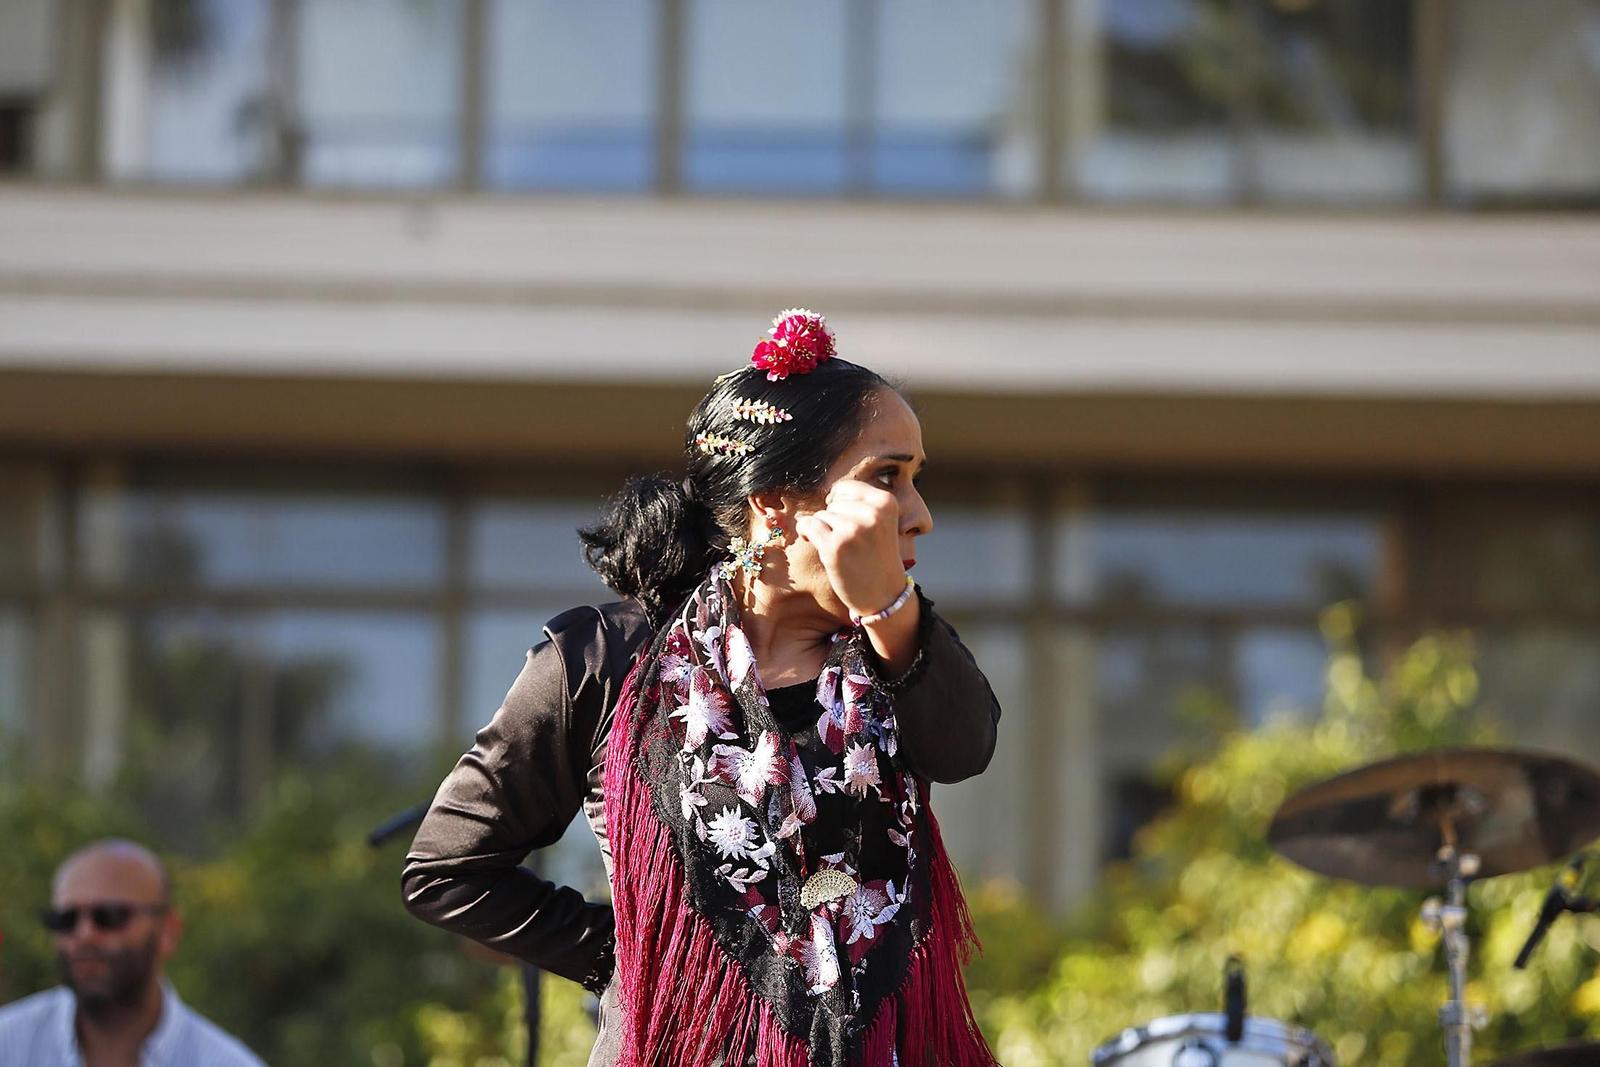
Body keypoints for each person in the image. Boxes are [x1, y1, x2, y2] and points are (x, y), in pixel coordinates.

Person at [404, 309, 1001, 1066]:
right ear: (775, 500)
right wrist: (644, 959)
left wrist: (887, 608)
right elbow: (449, 869)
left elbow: (964, 745)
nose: (919, 516)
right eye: (888, 477)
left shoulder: (897, 644)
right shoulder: (607, 658)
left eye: (916, 480)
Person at [0, 839, 268, 1067]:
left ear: (168, 931)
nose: (85, 934)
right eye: (66, 919)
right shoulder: (9, 1046)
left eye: (110, 916)